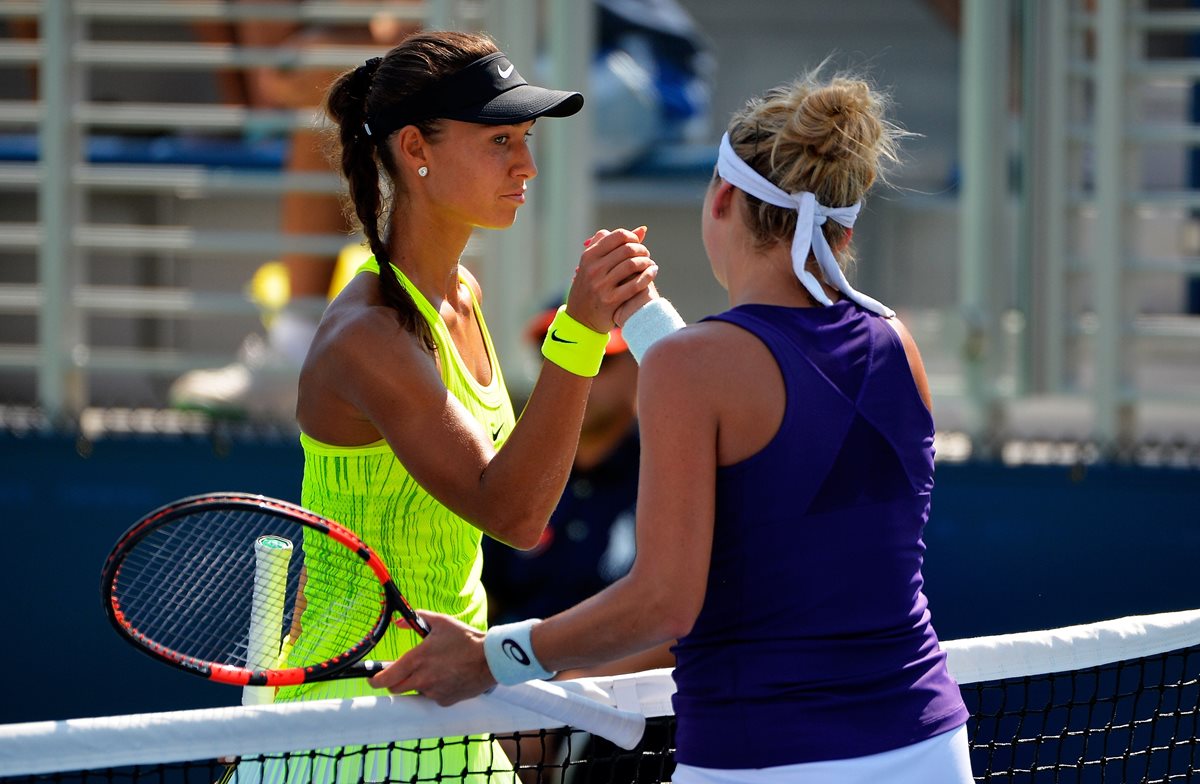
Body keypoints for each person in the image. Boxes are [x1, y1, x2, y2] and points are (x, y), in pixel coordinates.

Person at [369, 65, 975, 783]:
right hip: (929, 748)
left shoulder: (696, 369)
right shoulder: (894, 342)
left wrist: (491, 659)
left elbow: (662, 604)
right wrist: (650, 323)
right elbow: (779, 417)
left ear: (722, 197)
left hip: (766, 761)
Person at [271, 30, 656, 783]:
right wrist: (577, 334)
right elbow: (515, 514)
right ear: (417, 148)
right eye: (501, 141)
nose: (527, 166)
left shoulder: (464, 295)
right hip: (359, 724)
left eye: (527, 139)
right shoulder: (367, 338)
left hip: (448, 703)